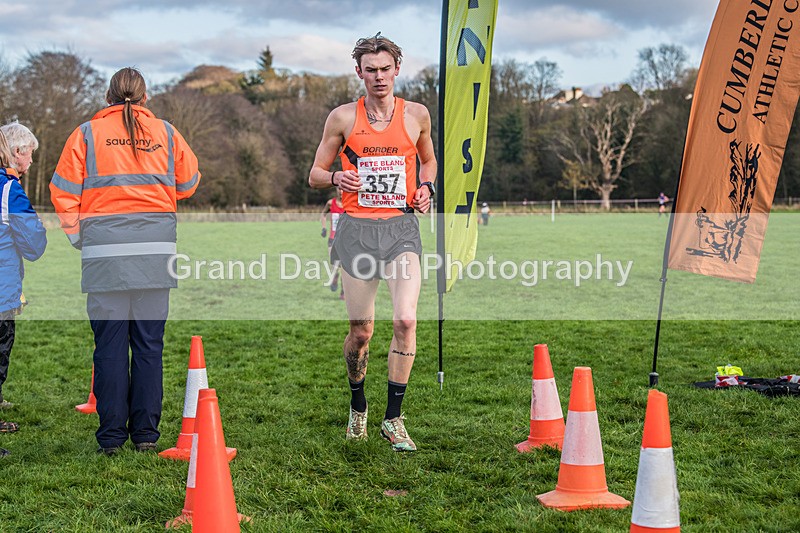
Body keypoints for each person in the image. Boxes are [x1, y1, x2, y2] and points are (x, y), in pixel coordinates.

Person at [50, 67, 201, 456]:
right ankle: (146, 436)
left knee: (110, 347)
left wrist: (77, 237)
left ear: (108, 97)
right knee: (150, 346)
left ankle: (112, 438)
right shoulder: (167, 133)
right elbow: (188, 183)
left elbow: (63, 191)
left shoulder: (86, 133)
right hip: (155, 252)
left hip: (104, 254)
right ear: (145, 97)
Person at [308, 33, 436, 452]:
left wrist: (427, 189)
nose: (379, 77)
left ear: (397, 70)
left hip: (400, 229)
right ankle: (358, 405)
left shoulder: (416, 114)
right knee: (362, 332)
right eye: (370, 70)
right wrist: (335, 177)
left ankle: (393, 418)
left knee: (405, 321)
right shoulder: (343, 118)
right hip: (358, 233)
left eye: (385, 69)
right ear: (359, 72)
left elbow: (429, 160)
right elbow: (314, 174)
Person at [0, 125, 47, 454]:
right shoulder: (9, 190)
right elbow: (33, 245)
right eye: (29, 153)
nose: (31, 161)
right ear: (16, 153)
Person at [320, 188, 346, 299]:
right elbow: (323, 214)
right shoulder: (331, 203)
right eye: (339, 189)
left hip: (346, 240)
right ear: (336, 189)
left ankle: (343, 292)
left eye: (343, 189)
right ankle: (334, 276)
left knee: (346, 268)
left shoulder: (350, 204)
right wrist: (324, 228)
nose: (341, 191)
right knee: (335, 265)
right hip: (333, 239)